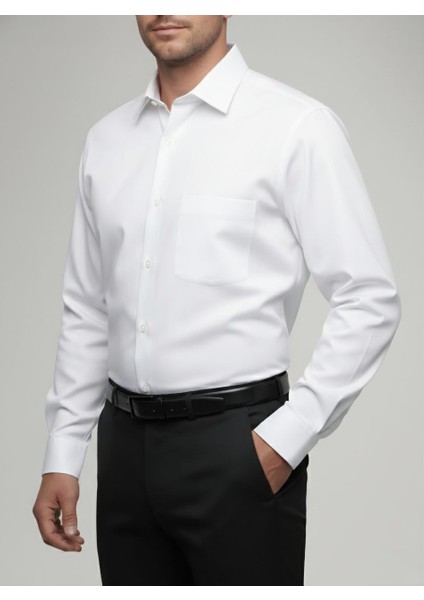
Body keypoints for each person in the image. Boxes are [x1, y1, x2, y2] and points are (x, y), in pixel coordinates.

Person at [32, 15, 401, 585]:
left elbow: (369, 296)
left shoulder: (296, 128)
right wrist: (63, 452)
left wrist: (286, 439)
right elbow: (88, 308)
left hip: (237, 449)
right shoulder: (106, 141)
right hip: (123, 451)